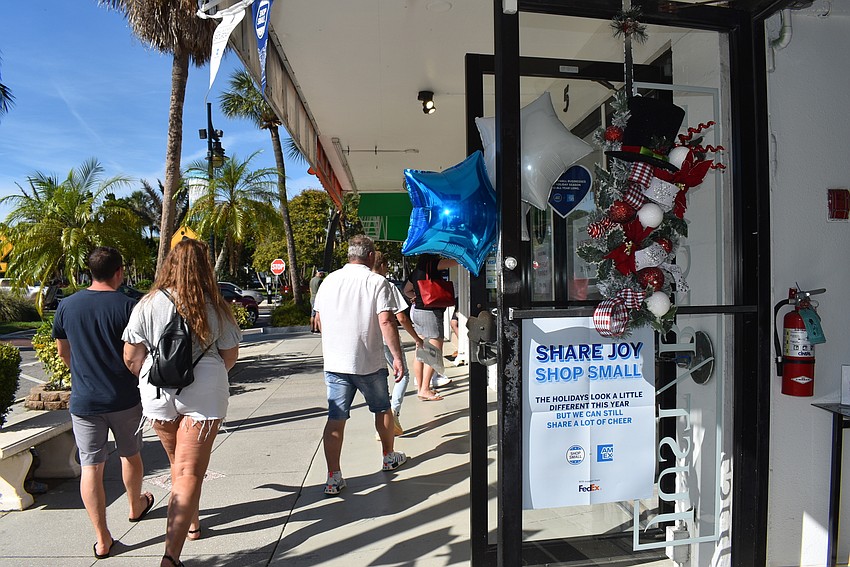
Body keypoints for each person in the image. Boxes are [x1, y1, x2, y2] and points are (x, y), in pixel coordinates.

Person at [122, 239, 241, 567]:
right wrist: (208, 376)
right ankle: (171, 556)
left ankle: (193, 522)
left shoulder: (148, 303)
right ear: (205, 268)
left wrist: (151, 376)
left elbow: (131, 356)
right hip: (204, 389)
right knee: (189, 470)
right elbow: (230, 356)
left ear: (169, 265)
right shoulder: (214, 305)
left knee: (179, 463)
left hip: (157, 391)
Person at [52, 246, 154, 560]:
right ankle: (135, 506)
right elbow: (139, 354)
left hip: (85, 401)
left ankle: (102, 539)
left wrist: (83, 375)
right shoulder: (129, 306)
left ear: (90, 272)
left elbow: (63, 352)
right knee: (130, 455)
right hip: (125, 397)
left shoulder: (67, 306)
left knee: (91, 467)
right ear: (119, 272)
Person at [313, 235, 408, 495]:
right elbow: (386, 321)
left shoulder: (329, 281)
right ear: (370, 256)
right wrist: (397, 357)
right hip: (368, 361)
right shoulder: (377, 282)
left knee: (336, 418)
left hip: (335, 362)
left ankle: (333, 476)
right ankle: (388, 456)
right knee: (382, 409)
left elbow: (318, 319)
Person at [372, 251, 424, 436]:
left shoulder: (361, 285)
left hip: (368, 340)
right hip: (387, 339)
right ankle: (394, 412)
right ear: (383, 265)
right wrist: (416, 338)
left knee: (377, 379)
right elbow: (401, 317)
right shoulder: (386, 285)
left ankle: (381, 423)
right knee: (403, 375)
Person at [403, 253, 458, 401]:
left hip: (418, 311)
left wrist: (415, 297)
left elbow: (406, 290)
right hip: (430, 313)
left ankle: (421, 387)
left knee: (421, 350)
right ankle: (425, 389)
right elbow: (453, 262)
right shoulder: (432, 265)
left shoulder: (416, 271)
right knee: (433, 351)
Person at [309, 268, 326, 333]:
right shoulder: (320, 281)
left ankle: (312, 327)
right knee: (316, 313)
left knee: (312, 314)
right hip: (317, 298)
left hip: (312, 298)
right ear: (320, 273)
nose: (323, 275)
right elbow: (322, 290)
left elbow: (310, 289)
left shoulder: (312, 280)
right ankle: (316, 328)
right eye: (322, 273)